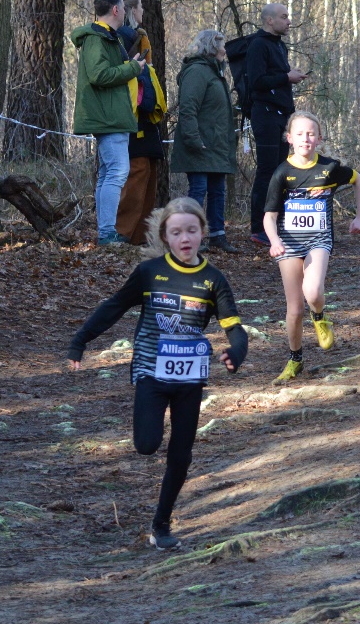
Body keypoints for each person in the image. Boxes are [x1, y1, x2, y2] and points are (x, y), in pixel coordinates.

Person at [66, 197, 248, 551]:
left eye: (192, 231)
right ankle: (158, 516)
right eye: (177, 232)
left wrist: (237, 351)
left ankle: (161, 525)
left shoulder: (212, 280)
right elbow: (114, 307)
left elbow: (234, 327)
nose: (185, 238)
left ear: (202, 233)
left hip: (190, 380)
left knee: (181, 455)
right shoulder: (150, 273)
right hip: (151, 372)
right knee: (146, 445)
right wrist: (80, 342)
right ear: (165, 236)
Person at [263, 111, 360, 384]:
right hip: (288, 244)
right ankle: (295, 359)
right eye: (299, 134)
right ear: (289, 139)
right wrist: (274, 241)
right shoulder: (282, 173)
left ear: (319, 139)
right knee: (294, 310)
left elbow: (358, 180)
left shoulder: (329, 168)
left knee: (313, 291)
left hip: (319, 240)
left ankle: (320, 317)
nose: (305, 139)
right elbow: (269, 216)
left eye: (311, 134)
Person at [71, 0, 147, 246]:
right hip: (107, 117)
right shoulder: (96, 39)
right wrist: (132, 69)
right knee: (117, 172)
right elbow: (99, 75)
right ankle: (107, 233)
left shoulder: (107, 38)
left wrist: (130, 66)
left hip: (112, 115)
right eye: (124, 8)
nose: (126, 12)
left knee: (108, 174)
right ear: (115, 10)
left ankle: (106, 231)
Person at [171, 29, 239, 253]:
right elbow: (188, 109)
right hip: (200, 144)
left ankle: (218, 236)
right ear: (212, 47)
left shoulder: (214, 72)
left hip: (216, 145)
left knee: (218, 190)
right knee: (198, 190)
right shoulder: (197, 72)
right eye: (222, 45)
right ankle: (190, 237)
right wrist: (193, 139)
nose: (224, 50)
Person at [246, 4, 306, 246]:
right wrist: (286, 77)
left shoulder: (279, 45)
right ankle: (258, 228)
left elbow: (275, 78)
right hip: (266, 115)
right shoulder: (258, 45)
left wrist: (290, 75)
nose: (289, 21)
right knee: (267, 171)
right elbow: (257, 82)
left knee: (281, 171)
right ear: (269, 21)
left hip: (282, 116)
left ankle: (277, 225)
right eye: (284, 17)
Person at [113, 0, 168, 246]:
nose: (144, 11)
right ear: (131, 10)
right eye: (141, 7)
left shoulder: (138, 39)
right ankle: (122, 235)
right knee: (136, 178)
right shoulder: (122, 40)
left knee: (147, 177)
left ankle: (139, 238)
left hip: (144, 121)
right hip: (132, 120)